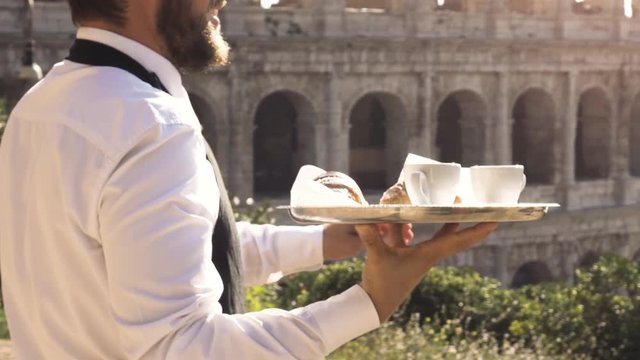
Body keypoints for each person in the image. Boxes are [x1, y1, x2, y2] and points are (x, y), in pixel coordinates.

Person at [0, 0, 497, 358]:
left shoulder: (39, 107)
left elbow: (171, 251)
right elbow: (183, 348)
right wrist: (371, 301)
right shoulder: (151, 126)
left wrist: (324, 241)